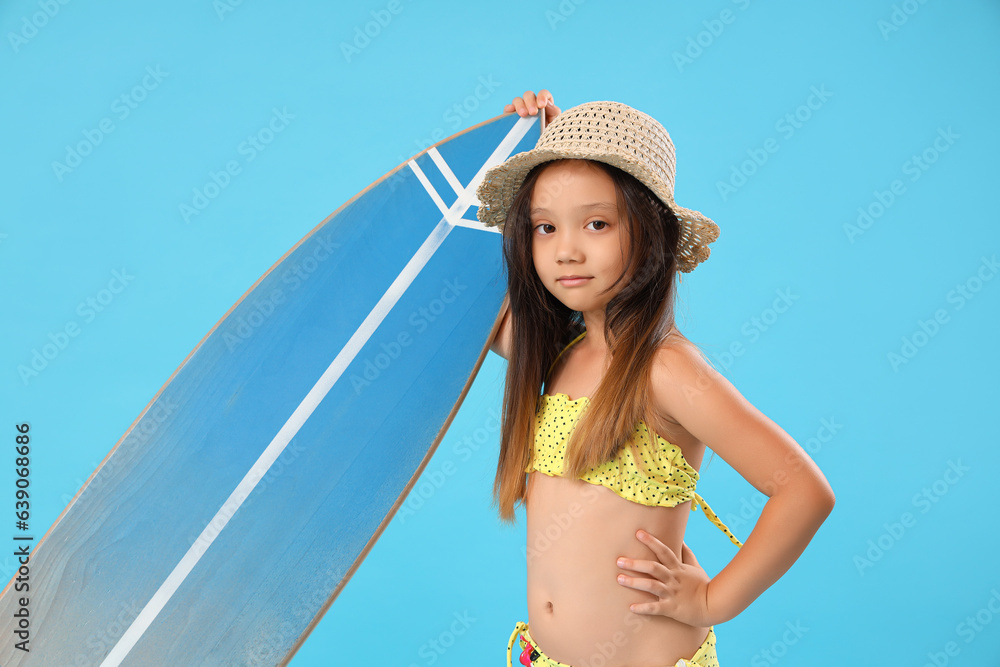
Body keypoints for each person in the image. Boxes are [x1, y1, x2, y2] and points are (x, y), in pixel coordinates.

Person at [478, 90, 836, 667]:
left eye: (596, 223)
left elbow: (804, 491)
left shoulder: (663, 370)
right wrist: (517, 142)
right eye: (545, 227)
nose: (566, 250)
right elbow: (453, 293)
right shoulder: (552, 352)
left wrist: (714, 599)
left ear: (648, 234)